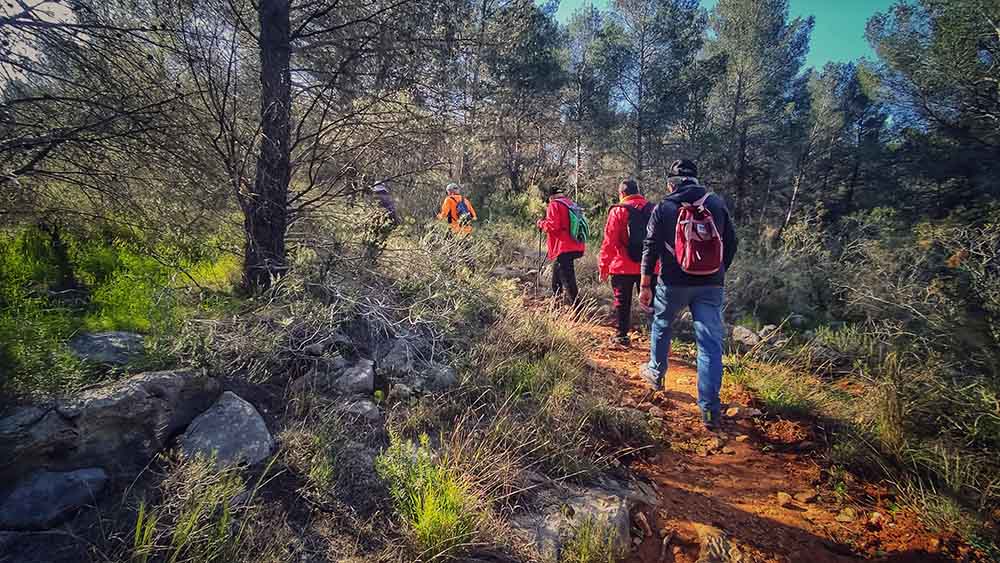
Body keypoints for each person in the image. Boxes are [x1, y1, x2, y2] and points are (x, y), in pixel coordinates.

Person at [638, 159, 738, 430]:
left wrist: (646, 284)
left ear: (671, 183)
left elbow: (650, 246)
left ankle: (656, 374)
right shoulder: (715, 203)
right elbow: (732, 242)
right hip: (710, 286)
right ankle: (708, 410)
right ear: (696, 180)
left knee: (662, 325)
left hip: (672, 283)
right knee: (709, 345)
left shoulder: (665, 206)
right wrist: (718, 271)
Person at [598, 179, 657, 347]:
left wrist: (604, 265)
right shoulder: (654, 209)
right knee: (652, 304)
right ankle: (657, 340)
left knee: (622, 302)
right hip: (650, 267)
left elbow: (609, 241)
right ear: (638, 191)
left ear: (622, 193)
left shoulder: (618, 211)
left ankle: (622, 336)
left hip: (622, 266)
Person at [537, 186, 586, 305]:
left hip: (563, 248)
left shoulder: (554, 205)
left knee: (568, 280)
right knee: (556, 279)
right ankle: (556, 305)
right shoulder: (570, 204)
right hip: (576, 245)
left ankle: (578, 309)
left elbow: (553, 226)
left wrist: (541, 224)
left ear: (550, 196)